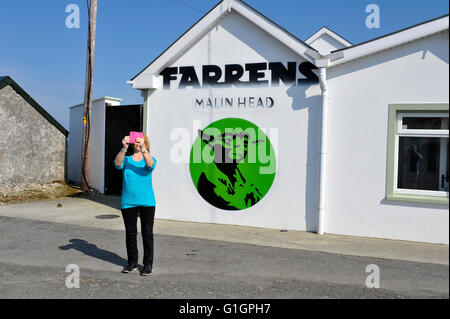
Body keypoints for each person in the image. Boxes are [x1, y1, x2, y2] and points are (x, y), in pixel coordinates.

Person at [114, 133, 157, 276]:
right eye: (136, 141)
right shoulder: (126, 159)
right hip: (128, 201)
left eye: (140, 141)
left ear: (145, 142)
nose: (137, 143)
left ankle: (148, 264)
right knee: (131, 233)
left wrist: (144, 148)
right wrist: (123, 148)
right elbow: (117, 164)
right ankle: (132, 262)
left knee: (147, 233)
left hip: (147, 202)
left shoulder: (149, 158)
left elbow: (150, 165)